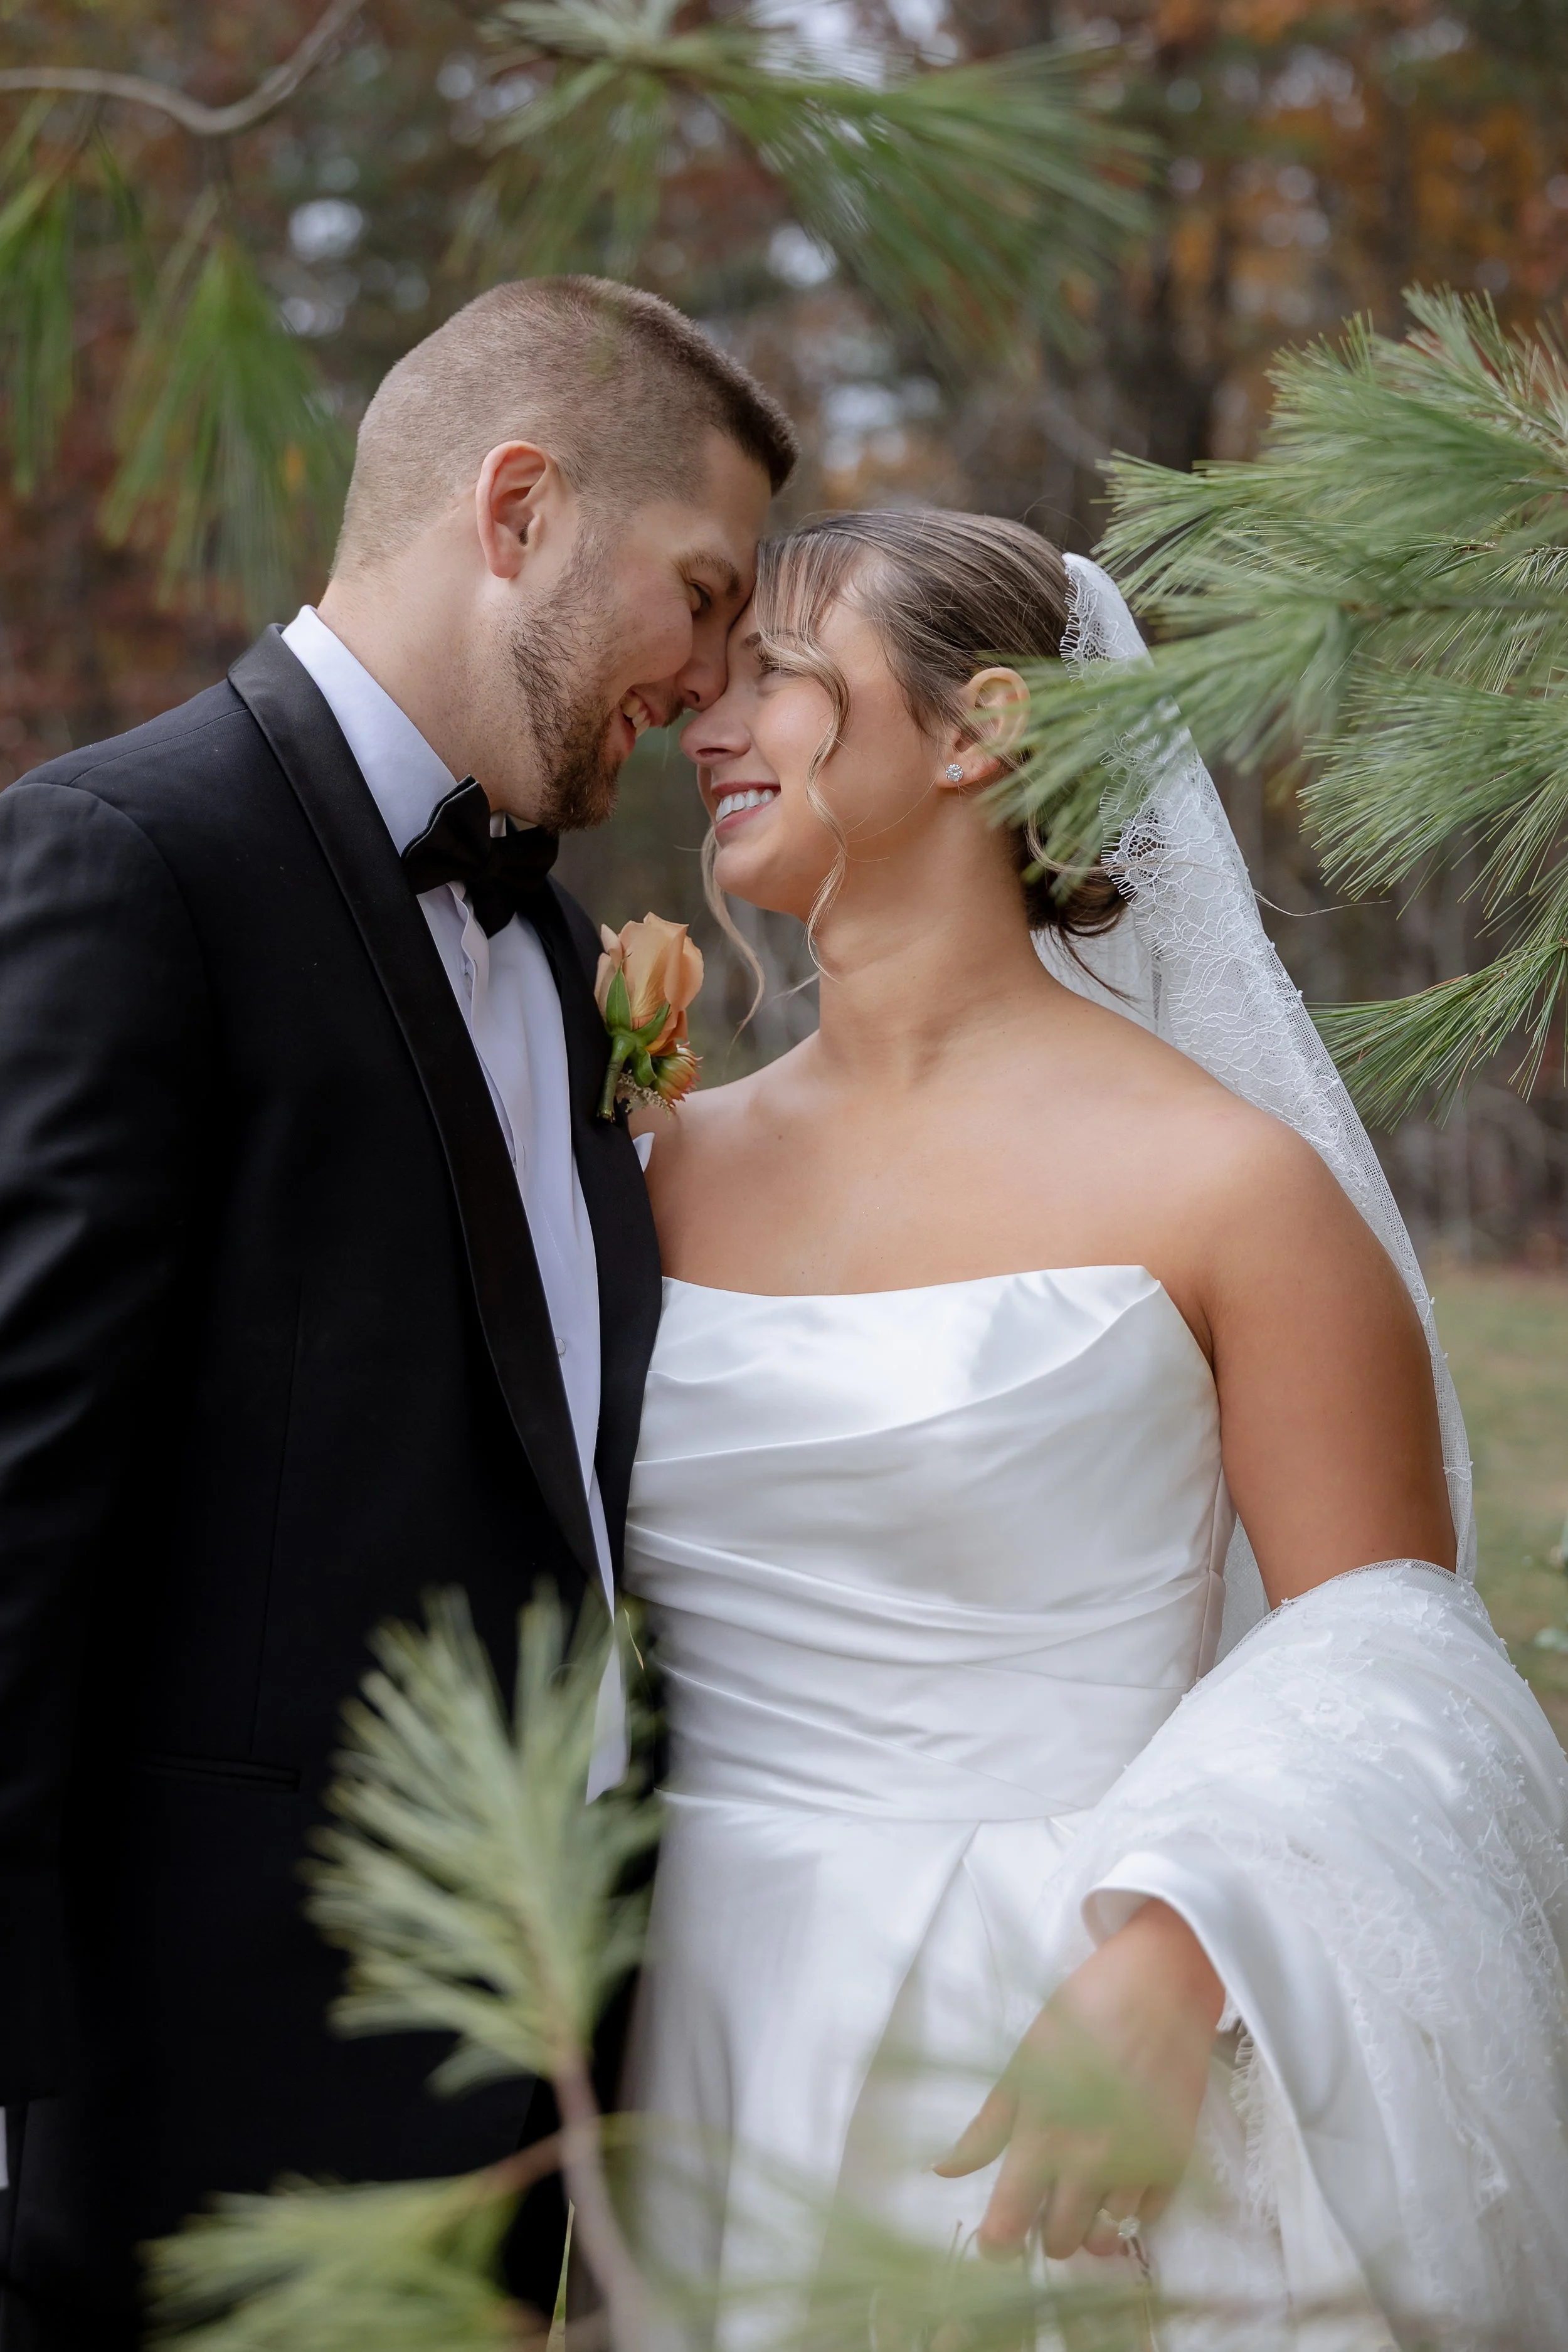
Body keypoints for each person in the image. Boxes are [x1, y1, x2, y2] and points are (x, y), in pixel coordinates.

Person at [622, 512, 1568, 2349]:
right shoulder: (647, 1175)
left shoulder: (1224, 1187)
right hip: (703, 2016)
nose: (704, 722)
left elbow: (1391, 1649)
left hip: (1047, 2012)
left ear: (977, 730)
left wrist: (1179, 1943)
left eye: (776, 677)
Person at [0, 275, 792, 2349]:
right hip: (200, 2108)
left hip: (522, 2093)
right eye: (699, 596)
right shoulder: (127, 860)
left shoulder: (549, 946)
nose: (710, 684)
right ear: (516, 506)